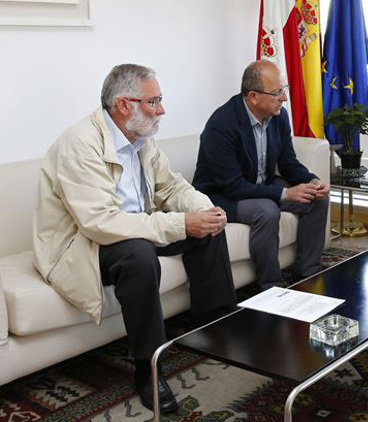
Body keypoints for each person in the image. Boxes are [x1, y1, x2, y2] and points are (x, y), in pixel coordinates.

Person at [33, 64, 238, 413]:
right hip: (83, 244)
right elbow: (99, 223)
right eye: (154, 101)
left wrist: (204, 210)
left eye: (160, 100)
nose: (161, 110)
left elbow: (171, 186)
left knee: (206, 229)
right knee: (139, 255)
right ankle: (148, 367)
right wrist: (179, 224)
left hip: (132, 227)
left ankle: (214, 326)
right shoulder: (79, 144)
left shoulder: (141, 139)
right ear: (125, 105)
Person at [193, 60, 329, 290]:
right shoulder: (222, 125)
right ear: (253, 96)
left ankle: (308, 273)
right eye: (277, 93)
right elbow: (234, 187)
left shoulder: (279, 116)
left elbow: (288, 163)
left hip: (257, 185)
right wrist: (285, 193)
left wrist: (311, 181)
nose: (284, 98)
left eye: (283, 90)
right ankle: (271, 287)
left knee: (316, 198)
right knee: (266, 210)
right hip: (221, 196)